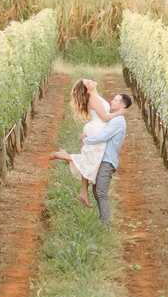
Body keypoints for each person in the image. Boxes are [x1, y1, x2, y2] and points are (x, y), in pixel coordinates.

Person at [52, 78, 131, 224]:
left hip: (106, 154)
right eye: (87, 82)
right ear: (87, 89)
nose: (112, 101)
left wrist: (87, 139)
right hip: (99, 135)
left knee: (97, 184)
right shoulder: (99, 103)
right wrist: (119, 113)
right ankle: (97, 212)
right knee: (90, 164)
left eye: (115, 100)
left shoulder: (116, 119)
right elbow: (105, 118)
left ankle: (103, 222)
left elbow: (104, 132)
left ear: (122, 105)